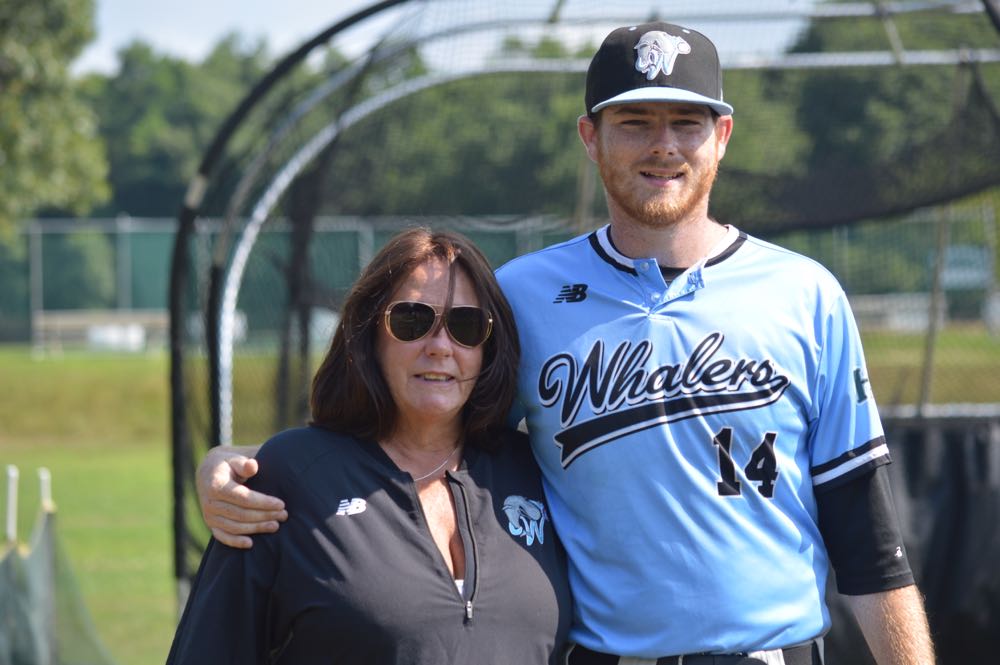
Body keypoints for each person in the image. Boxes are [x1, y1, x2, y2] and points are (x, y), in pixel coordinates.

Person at [195, 21, 936, 665]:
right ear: (591, 137)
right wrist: (236, 468)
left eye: (686, 122)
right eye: (634, 122)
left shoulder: (806, 295)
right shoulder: (520, 296)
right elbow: (413, 425)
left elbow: (867, 536)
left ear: (723, 135)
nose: (663, 146)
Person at [168, 228, 572, 664]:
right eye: (412, 321)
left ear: (488, 348)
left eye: (465, 326)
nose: (440, 346)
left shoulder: (539, 469)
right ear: (368, 336)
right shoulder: (282, 481)